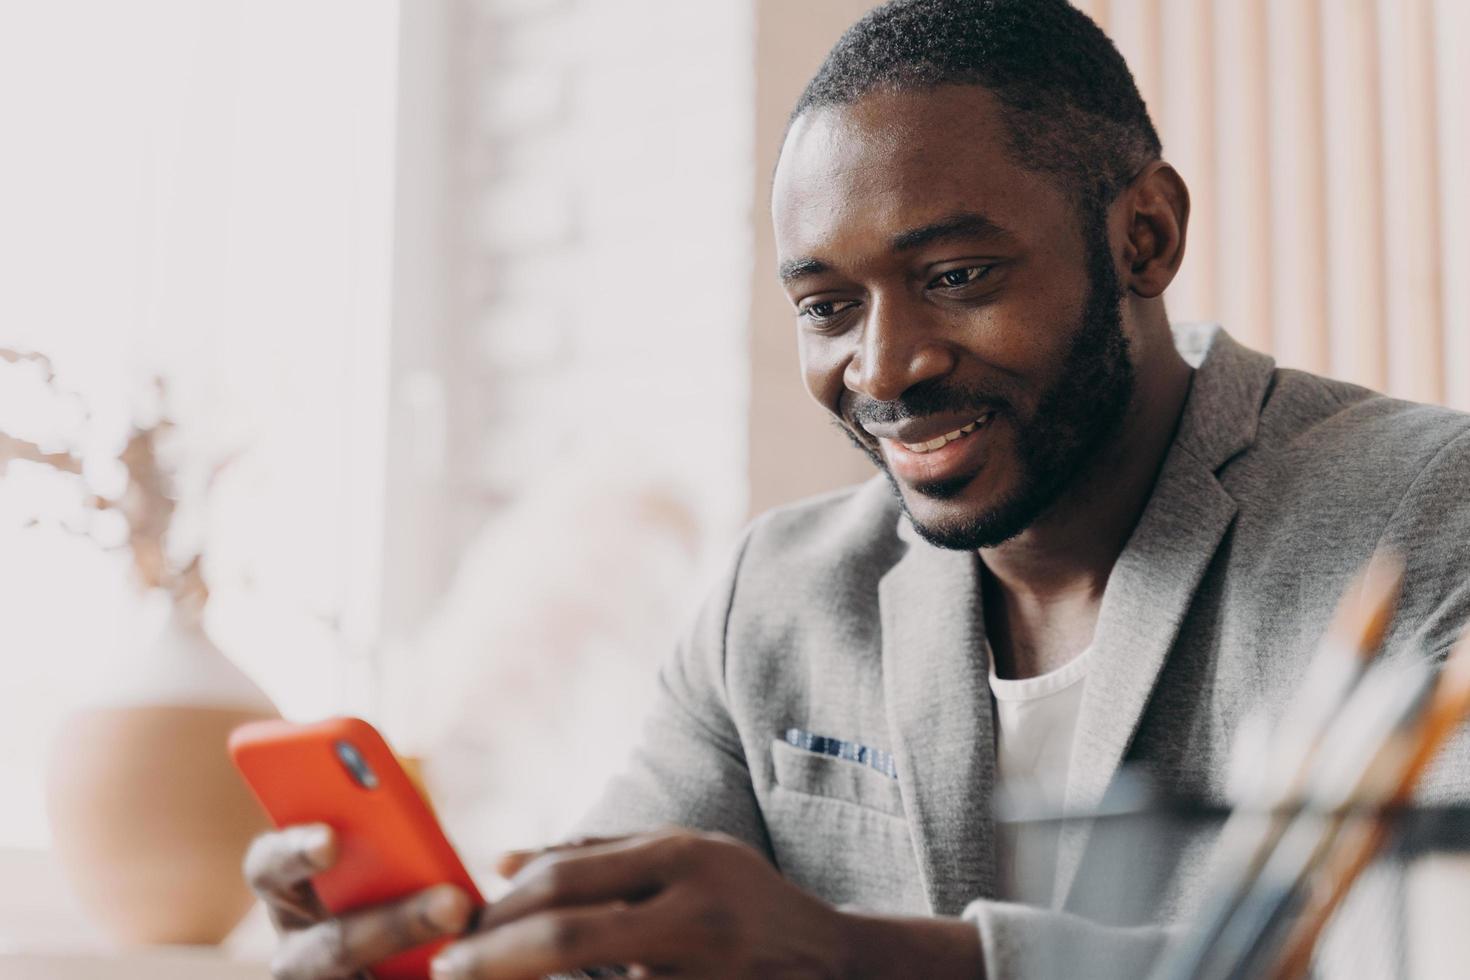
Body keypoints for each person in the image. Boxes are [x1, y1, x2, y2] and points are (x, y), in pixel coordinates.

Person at [244, 1, 1470, 977]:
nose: (884, 366)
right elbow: (627, 942)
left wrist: (853, 955)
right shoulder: (771, 599)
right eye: (826, 306)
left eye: (956, 273)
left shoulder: (1426, 511)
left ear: (1143, 235)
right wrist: (449, 952)